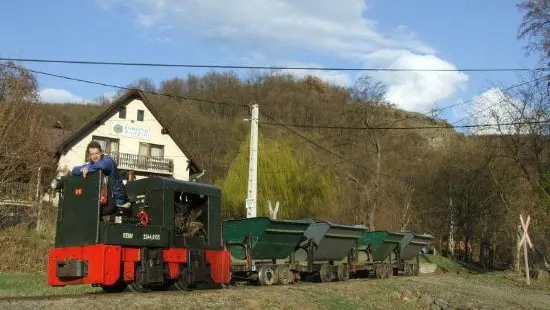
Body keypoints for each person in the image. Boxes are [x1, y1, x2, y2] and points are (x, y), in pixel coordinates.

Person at [72, 141, 131, 209]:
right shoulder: (91, 165)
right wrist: (83, 169)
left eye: (97, 153)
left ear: (101, 152)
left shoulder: (108, 160)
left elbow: (102, 165)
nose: (94, 156)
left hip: (116, 200)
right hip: (103, 200)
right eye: (92, 154)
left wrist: (87, 169)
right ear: (89, 155)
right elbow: (74, 170)